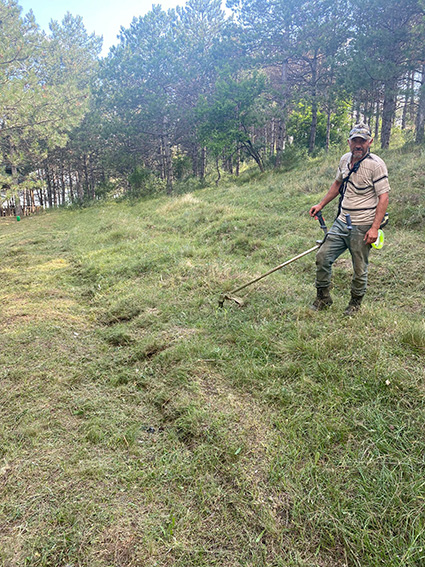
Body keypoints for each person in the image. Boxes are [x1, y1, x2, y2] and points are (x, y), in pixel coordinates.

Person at [309, 122, 390, 316]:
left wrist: (374, 228)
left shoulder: (376, 165)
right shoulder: (345, 160)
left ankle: (354, 304)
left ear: (369, 142)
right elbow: (337, 184)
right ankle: (323, 298)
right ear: (349, 142)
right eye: (355, 141)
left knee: (359, 267)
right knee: (322, 257)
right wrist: (321, 204)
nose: (358, 145)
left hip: (363, 225)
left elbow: (384, 197)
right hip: (341, 221)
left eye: (362, 141)